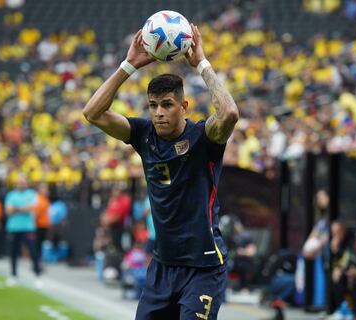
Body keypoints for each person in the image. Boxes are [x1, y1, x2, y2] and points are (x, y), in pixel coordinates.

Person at [83, 23, 239, 320]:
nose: (158, 112)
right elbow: (92, 113)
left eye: (167, 105)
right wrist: (129, 65)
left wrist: (202, 64)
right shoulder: (143, 135)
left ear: (184, 105)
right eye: (153, 105)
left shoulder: (204, 138)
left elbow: (229, 113)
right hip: (162, 266)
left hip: (204, 267)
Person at [4, 174, 42, 288]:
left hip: (28, 227)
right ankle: (13, 275)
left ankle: (37, 275)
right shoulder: (11, 195)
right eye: (19, 182)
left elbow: (32, 207)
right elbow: (8, 211)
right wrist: (23, 209)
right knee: (13, 252)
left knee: (33, 251)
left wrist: (17, 208)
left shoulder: (32, 194)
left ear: (27, 183)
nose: (21, 184)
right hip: (13, 227)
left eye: (23, 182)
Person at [34, 183, 51, 260]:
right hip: (38, 225)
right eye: (44, 188)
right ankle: (36, 262)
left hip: (44, 225)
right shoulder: (37, 199)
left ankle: (39, 261)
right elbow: (35, 213)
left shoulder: (45, 199)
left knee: (40, 244)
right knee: (37, 244)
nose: (46, 190)